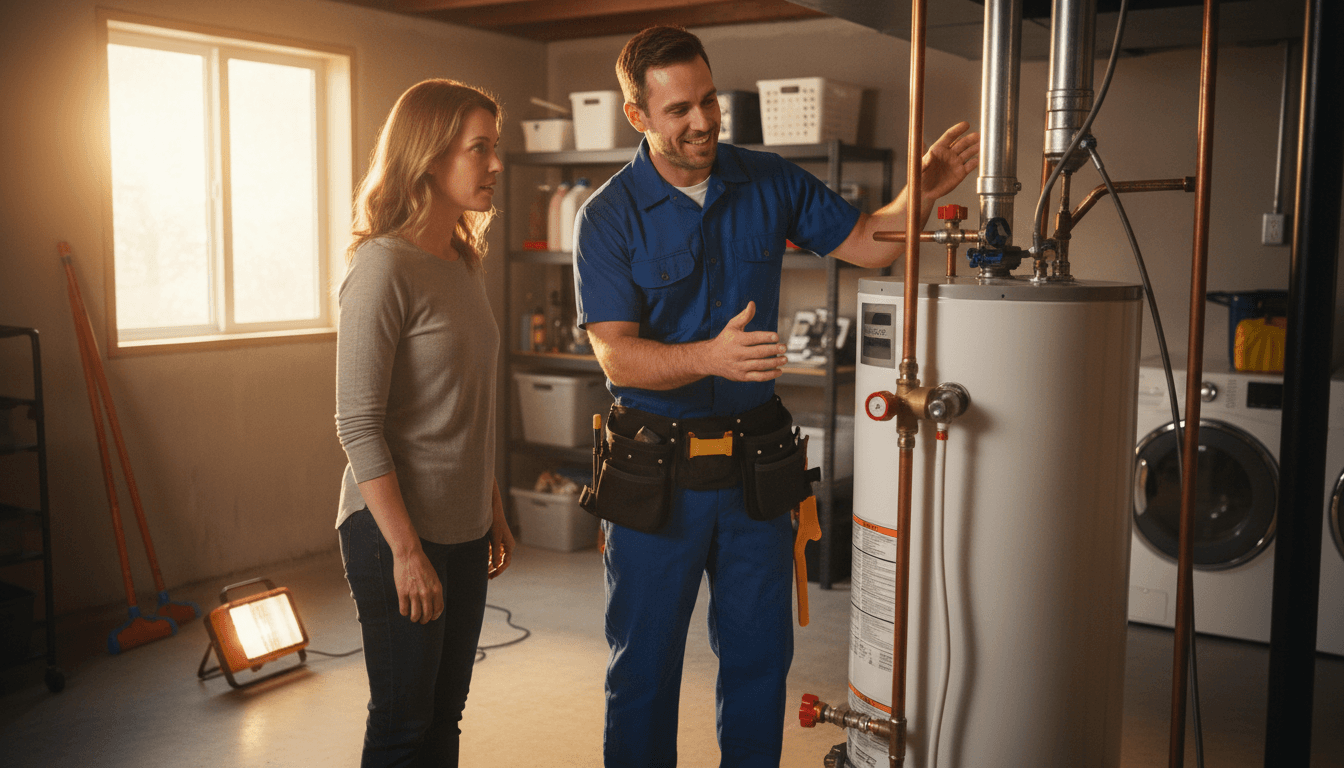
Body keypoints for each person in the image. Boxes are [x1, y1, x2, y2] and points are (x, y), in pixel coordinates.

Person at [573, 26, 979, 767]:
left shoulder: (768, 179)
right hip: (656, 478)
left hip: (756, 472)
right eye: (677, 112)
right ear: (638, 116)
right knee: (644, 672)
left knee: (760, 666)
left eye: (708, 102)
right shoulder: (607, 215)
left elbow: (871, 241)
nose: (701, 122)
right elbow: (616, 356)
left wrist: (922, 187)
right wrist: (708, 356)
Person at [334, 78, 515, 768]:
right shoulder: (383, 268)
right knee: (404, 724)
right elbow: (358, 425)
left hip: (463, 526)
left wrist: (488, 498)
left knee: (446, 716)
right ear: (429, 156)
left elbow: (461, 401)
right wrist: (407, 552)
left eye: (493, 149)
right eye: (480, 149)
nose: (495, 165)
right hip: (393, 534)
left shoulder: (461, 261)